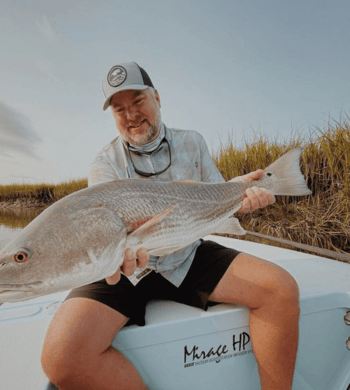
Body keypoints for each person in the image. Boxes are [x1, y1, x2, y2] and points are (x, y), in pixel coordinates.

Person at [41, 62, 300, 390]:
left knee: (281, 290)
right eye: (119, 108)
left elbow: (216, 193)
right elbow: (104, 229)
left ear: (157, 97)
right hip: (125, 270)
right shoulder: (104, 163)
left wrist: (243, 192)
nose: (131, 114)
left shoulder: (193, 141)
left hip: (186, 253)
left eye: (137, 101)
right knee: (61, 358)